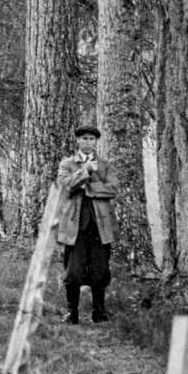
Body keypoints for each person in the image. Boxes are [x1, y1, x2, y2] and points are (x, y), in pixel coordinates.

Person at [55, 125, 118, 324]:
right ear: (78, 141)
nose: (89, 143)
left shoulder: (105, 165)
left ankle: (99, 311)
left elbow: (113, 189)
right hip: (75, 226)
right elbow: (64, 186)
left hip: (101, 226)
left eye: (92, 139)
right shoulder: (68, 163)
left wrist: (87, 188)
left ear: (96, 141)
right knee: (73, 271)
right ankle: (71, 312)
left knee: (100, 270)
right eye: (85, 139)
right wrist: (85, 171)